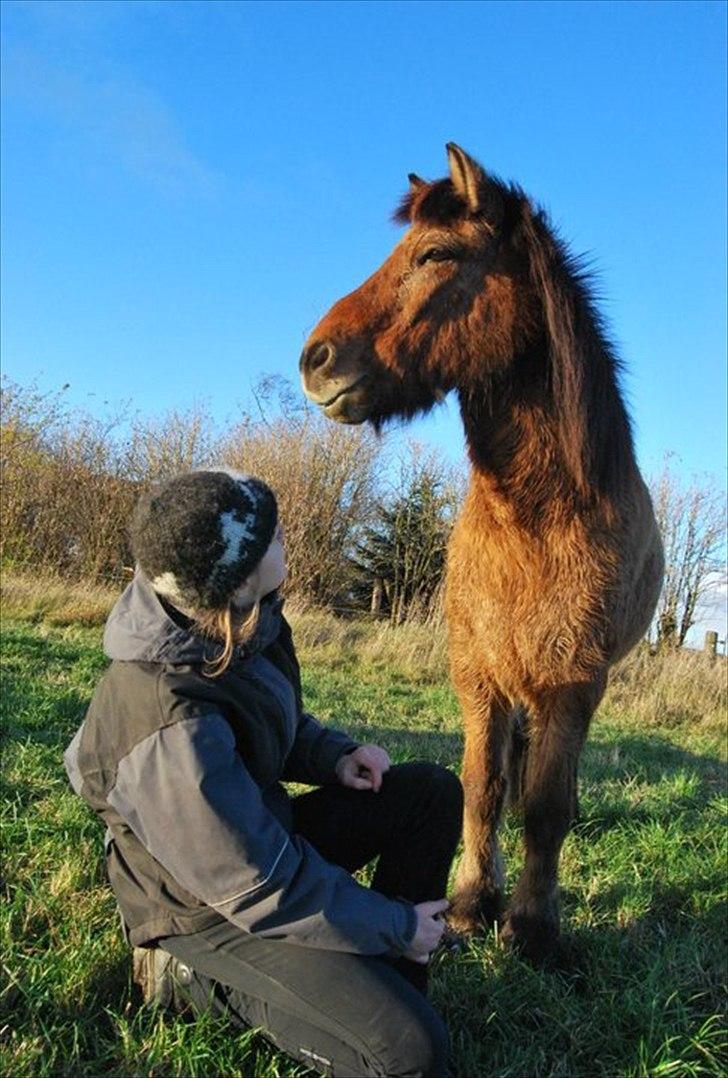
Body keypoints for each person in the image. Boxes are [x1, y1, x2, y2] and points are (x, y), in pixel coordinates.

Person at [64, 468, 463, 1078]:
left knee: (428, 792)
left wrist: (333, 756)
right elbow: (256, 885)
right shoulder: (166, 717)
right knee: (412, 1056)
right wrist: (393, 923)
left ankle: (390, 980)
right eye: (272, 535)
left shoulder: (239, 619)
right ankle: (183, 977)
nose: (284, 536)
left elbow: (270, 721)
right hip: (206, 906)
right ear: (240, 576)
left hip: (258, 840)